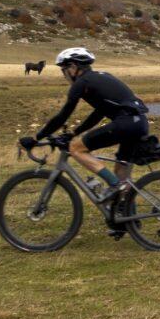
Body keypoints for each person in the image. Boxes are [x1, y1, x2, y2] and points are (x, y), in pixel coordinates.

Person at [20, 48, 149, 229]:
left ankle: (114, 186)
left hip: (126, 123)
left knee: (76, 149)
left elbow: (62, 115)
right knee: (121, 172)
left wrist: (36, 137)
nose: (63, 74)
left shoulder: (81, 83)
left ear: (73, 67)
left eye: (63, 70)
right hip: (139, 123)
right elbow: (99, 113)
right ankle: (129, 219)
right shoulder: (101, 77)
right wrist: (75, 132)